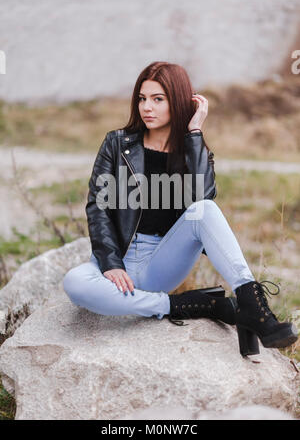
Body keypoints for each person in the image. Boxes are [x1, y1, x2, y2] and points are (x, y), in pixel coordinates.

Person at [63, 61, 298, 357]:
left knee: (205, 210)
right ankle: (190, 305)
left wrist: (194, 132)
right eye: (142, 98)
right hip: (119, 259)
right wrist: (110, 262)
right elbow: (97, 207)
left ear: (177, 101)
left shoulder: (192, 148)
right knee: (74, 283)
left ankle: (252, 303)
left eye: (158, 99)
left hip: (163, 260)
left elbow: (203, 197)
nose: (147, 107)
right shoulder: (117, 143)